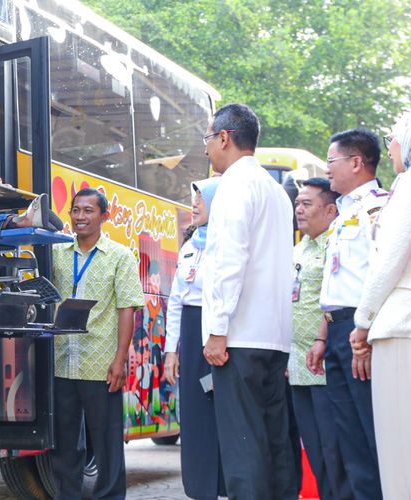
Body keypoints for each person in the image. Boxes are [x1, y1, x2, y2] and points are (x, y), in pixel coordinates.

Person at [200, 103, 296, 498]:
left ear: (224, 137)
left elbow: (229, 261)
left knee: (243, 444)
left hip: (239, 335)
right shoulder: (277, 192)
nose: (206, 150)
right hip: (274, 337)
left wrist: (217, 330)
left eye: (207, 139)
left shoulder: (233, 187)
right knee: (275, 440)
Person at [51, 188, 144, 499]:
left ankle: (110, 496)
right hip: (63, 360)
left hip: (100, 363)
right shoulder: (58, 254)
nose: (81, 216)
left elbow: (127, 308)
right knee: (65, 441)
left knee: (105, 441)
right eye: (76, 210)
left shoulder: (120, 256)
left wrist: (120, 360)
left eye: (89, 210)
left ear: (104, 216)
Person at [313, 128, 386, 500]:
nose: (327, 169)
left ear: (356, 163)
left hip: (362, 332)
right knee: (349, 434)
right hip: (338, 328)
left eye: (331, 161)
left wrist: (365, 331)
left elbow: (380, 274)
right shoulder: (343, 213)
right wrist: (323, 336)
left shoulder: (379, 207)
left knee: (372, 430)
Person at [350, 111, 411, 498]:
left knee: (400, 450)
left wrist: (362, 322)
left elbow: (389, 260)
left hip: (402, 325)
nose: (389, 145)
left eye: (392, 136)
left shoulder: (407, 185)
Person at [290, 178, 352, 500]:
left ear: (330, 209)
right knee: (314, 447)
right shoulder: (298, 248)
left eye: (307, 204)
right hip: (297, 365)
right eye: (298, 203)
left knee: (334, 446)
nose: (299, 209)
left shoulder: (335, 245)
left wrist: (322, 339)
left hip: (325, 364)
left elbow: (333, 299)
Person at [163, 177, 225, 500]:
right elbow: (175, 300)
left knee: (220, 407)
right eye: (194, 198)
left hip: (215, 330)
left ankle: (224, 484)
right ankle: (199, 487)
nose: (194, 204)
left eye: (201, 198)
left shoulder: (226, 243)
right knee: (193, 410)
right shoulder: (189, 246)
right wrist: (171, 350)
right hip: (189, 332)